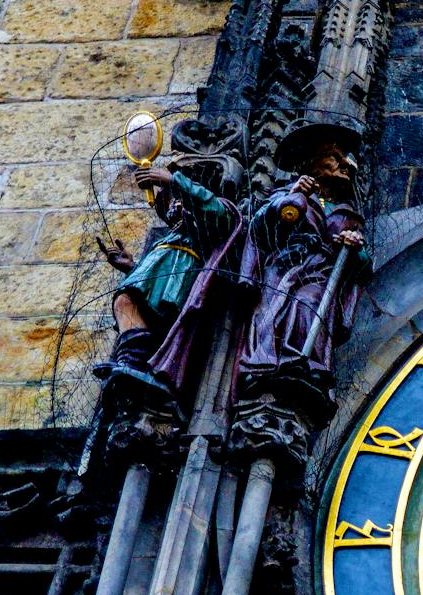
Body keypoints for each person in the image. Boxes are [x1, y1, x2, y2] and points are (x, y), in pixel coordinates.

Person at [237, 131, 369, 401]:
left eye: (346, 159)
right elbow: (260, 230)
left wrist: (354, 248)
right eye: (335, 157)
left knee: (310, 305)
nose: (346, 164)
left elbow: (363, 268)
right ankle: (269, 364)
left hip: (320, 274)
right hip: (284, 268)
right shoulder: (286, 193)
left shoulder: (347, 214)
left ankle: (306, 363)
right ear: (312, 163)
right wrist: (293, 196)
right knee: (277, 310)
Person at [97, 162, 242, 397]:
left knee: (157, 316)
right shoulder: (172, 233)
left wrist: (171, 180)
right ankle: (130, 364)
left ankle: (144, 368)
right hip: (162, 275)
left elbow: (214, 210)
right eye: (171, 198)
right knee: (125, 303)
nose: (174, 202)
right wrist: (132, 267)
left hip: (184, 277)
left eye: (178, 197)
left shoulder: (217, 214)